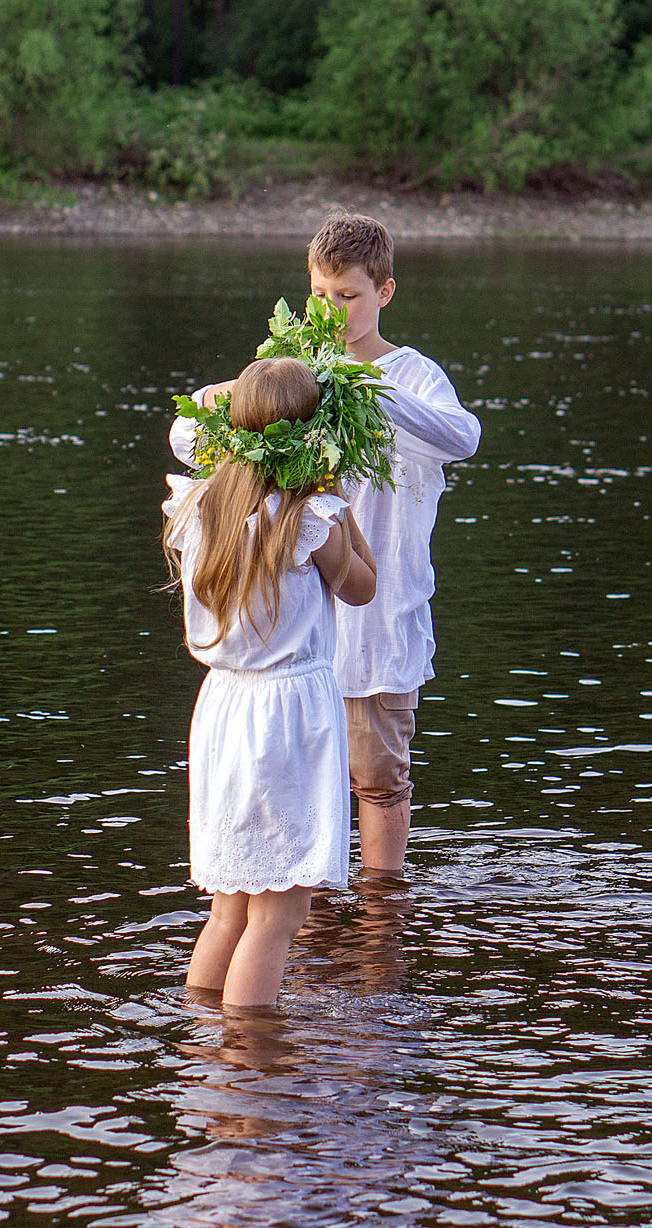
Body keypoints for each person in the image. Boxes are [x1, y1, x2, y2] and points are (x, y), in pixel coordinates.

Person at [172, 214, 481, 874]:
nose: (334, 310)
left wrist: (369, 391)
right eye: (320, 294)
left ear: (384, 292)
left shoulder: (413, 375)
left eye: (349, 295)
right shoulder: (292, 376)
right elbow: (186, 438)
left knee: (378, 778)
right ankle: (306, 914)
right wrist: (249, 390)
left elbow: (464, 437)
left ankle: (380, 909)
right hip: (294, 632)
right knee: (299, 787)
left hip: (379, 622)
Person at [163, 357, 378, 1008]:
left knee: (230, 908)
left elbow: (190, 421)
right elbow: (364, 587)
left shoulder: (202, 505)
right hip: (288, 716)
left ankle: (203, 1041)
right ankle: (249, 1052)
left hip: (224, 708)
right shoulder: (309, 519)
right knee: (278, 915)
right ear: (314, 436)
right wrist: (340, 499)